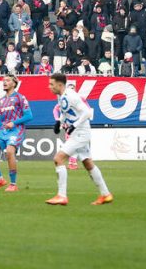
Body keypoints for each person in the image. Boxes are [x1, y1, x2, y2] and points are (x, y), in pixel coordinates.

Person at [46, 73, 114, 206]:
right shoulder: (60, 95)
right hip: (78, 132)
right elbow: (66, 112)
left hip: (80, 133)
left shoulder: (71, 96)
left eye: (51, 84)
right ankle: (106, 194)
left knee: (58, 159)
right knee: (88, 163)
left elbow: (87, 112)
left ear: (60, 85)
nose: (49, 87)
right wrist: (59, 122)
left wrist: (73, 126)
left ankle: (61, 195)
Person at [0, 75, 32, 192]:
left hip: (16, 130)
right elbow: (1, 120)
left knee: (10, 151)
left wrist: (14, 123)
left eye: (7, 80)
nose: (4, 82)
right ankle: (0, 179)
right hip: (3, 131)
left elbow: (29, 116)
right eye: (3, 81)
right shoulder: (1, 101)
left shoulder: (20, 98)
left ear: (14, 83)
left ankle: (13, 184)